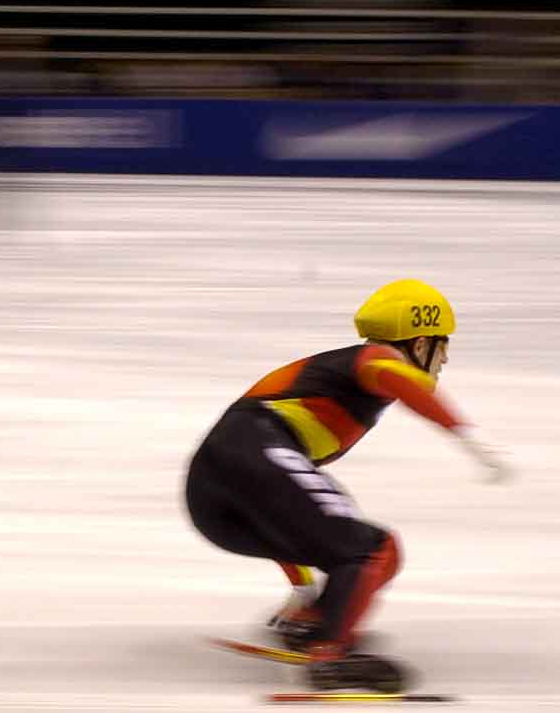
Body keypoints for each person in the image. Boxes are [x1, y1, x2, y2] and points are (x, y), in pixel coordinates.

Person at [184, 280, 509, 692]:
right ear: (421, 342)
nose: (443, 361)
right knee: (372, 550)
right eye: (442, 347)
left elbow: (280, 508)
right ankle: (329, 654)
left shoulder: (329, 386)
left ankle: (313, 625)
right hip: (247, 451)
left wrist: (303, 591)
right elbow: (394, 376)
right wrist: (463, 434)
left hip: (211, 498)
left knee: (362, 550)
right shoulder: (374, 357)